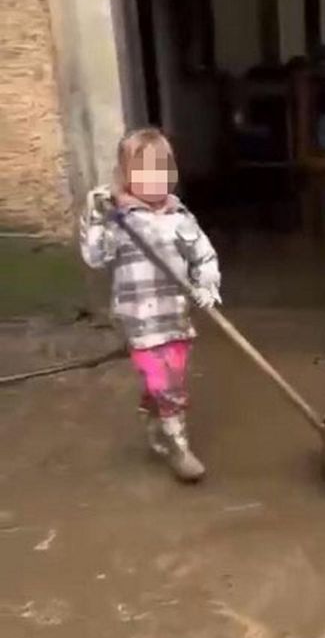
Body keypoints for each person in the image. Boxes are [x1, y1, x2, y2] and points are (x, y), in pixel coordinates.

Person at [80, 128, 221, 483]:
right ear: (125, 176)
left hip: (175, 318)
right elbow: (96, 256)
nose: (154, 180)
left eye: (162, 170)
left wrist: (207, 285)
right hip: (138, 321)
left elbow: (203, 256)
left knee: (167, 377)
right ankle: (179, 445)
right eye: (143, 172)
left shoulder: (181, 218)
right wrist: (97, 215)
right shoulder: (118, 218)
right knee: (165, 380)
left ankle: (152, 413)